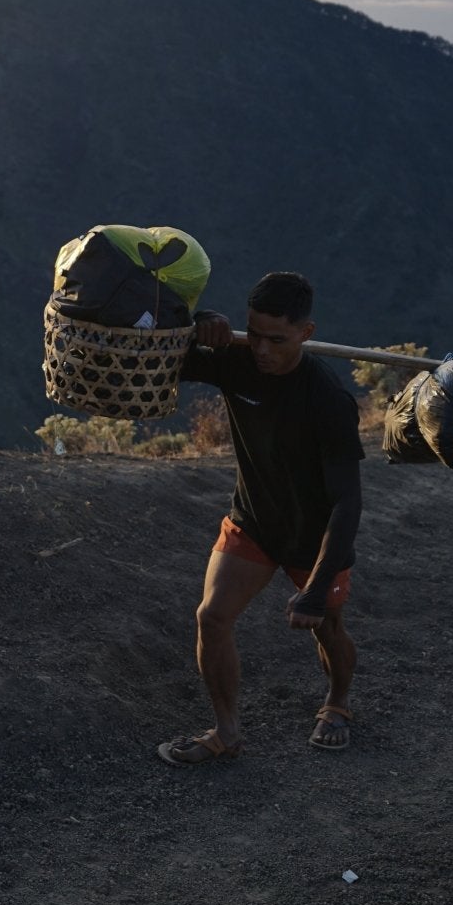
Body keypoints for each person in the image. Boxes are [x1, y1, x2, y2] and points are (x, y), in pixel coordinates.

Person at [157, 271, 364, 764]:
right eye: (254, 334)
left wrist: (316, 589)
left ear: (306, 333)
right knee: (211, 617)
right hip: (252, 521)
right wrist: (196, 325)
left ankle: (337, 702)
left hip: (313, 536)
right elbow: (167, 358)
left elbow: (347, 502)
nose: (263, 350)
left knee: (327, 627)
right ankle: (226, 732)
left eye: (277, 339)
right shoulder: (238, 360)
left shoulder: (328, 399)